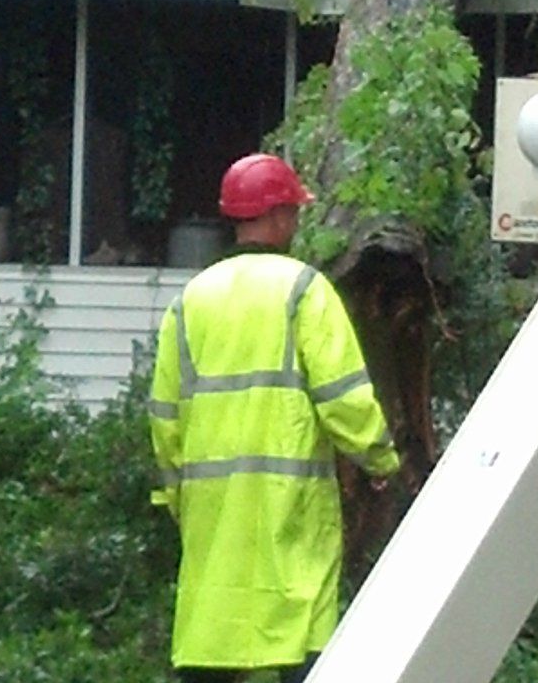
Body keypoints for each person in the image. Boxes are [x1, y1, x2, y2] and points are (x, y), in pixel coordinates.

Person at [149, 153, 399, 683]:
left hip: (213, 518)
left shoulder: (190, 301)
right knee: (298, 645)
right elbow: (343, 397)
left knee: (212, 643)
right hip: (293, 515)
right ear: (281, 215)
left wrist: (179, 499)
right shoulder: (304, 291)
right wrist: (379, 458)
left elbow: (165, 420)